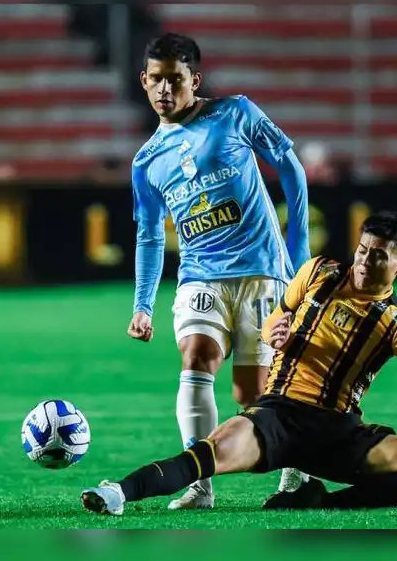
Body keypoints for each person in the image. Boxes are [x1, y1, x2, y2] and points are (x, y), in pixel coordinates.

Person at [83, 212, 397, 516]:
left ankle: (321, 504)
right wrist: (271, 333)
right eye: (363, 250)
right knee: (210, 454)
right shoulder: (318, 273)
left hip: (338, 432)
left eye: (379, 256)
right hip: (278, 416)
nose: (365, 261)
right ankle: (118, 492)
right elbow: (275, 320)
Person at [125, 33, 311, 510]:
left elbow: (291, 168)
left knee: (254, 394)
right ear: (143, 81)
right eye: (156, 79)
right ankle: (200, 485)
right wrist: (143, 305)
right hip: (199, 276)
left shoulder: (236, 113)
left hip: (261, 272)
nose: (165, 89)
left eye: (175, 79)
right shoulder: (146, 161)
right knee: (196, 357)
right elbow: (149, 235)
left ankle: (297, 468)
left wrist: (300, 256)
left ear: (195, 79)